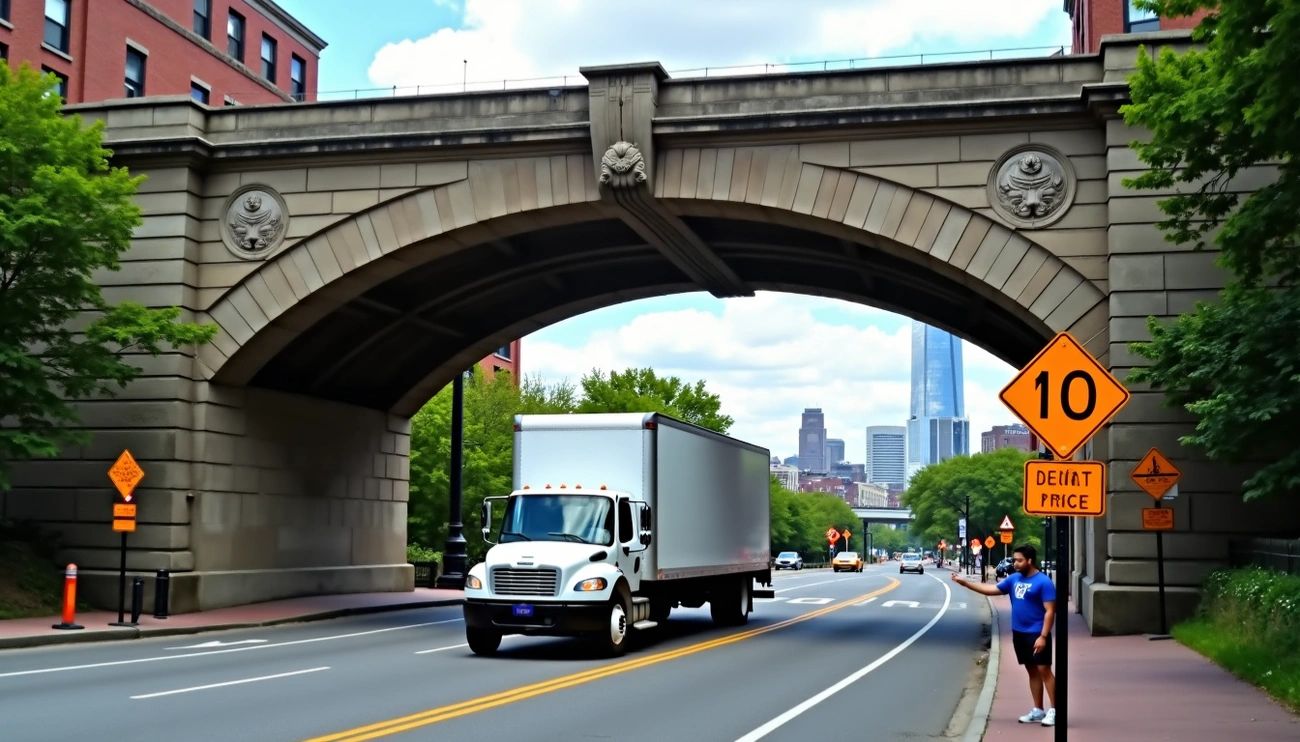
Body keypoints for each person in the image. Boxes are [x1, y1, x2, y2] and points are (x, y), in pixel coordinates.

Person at [951, 544, 1057, 727]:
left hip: (1037, 633)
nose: (1015, 563)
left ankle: (1055, 711)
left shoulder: (1043, 582)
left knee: (1044, 670)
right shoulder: (1014, 579)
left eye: (1019, 560)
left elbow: (1050, 611)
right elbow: (991, 590)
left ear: (1030, 561)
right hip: (1020, 633)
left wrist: (1043, 636)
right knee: (1032, 671)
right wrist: (965, 583)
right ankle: (1038, 710)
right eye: (1014, 560)